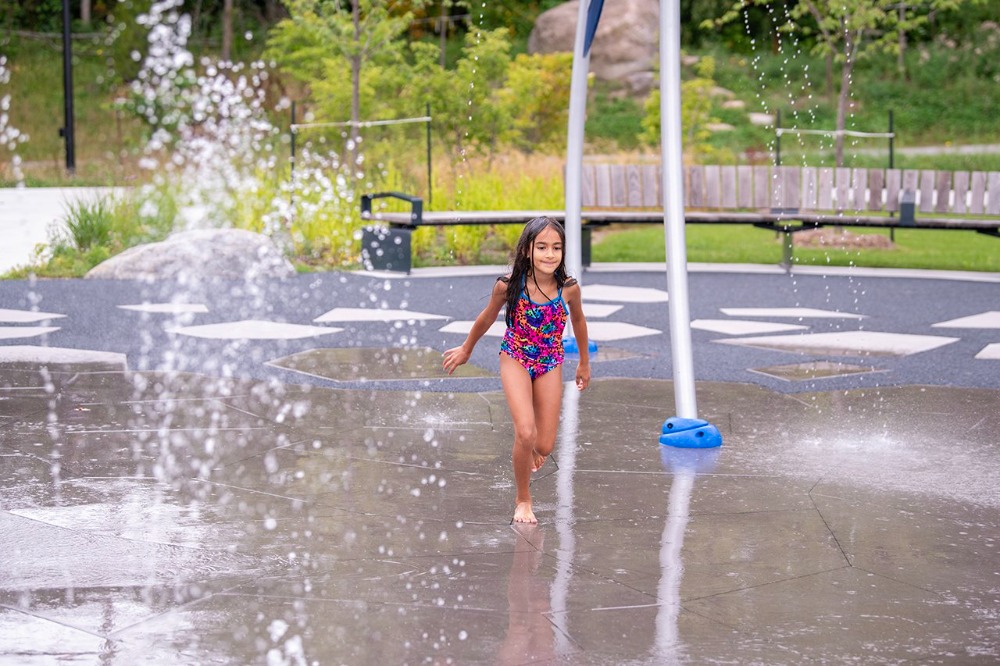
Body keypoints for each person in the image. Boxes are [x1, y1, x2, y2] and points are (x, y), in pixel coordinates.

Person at [443, 216, 590, 524]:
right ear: (527, 251)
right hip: (516, 357)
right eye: (542, 247)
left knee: (545, 444)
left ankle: (533, 448)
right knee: (525, 431)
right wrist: (467, 349)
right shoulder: (509, 286)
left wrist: (584, 363)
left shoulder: (569, 289)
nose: (549, 255)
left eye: (556, 248)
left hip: (550, 360)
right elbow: (486, 317)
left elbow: (578, 322)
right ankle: (523, 499)